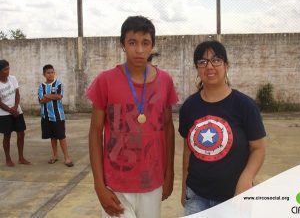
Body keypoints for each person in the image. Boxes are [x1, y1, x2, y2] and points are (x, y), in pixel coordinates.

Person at [86, 15, 177, 218]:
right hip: (116, 183)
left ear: (152, 45)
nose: (139, 50)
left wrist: (169, 173)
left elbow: (168, 128)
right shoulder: (105, 81)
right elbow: (94, 133)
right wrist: (99, 186)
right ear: (122, 45)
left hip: (152, 181)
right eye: (132, 43)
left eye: (145, 43)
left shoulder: (165, 81)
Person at [178, 40, 266, 215]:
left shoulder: (244, 105)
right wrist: (184, 189)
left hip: (234, 197)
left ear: (226, 65)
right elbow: (188, 150)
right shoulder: (189, 107)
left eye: (216, 60)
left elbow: (258, 148)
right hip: (196, 197)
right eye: (202, 62)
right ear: (197, 68)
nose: (209, 66)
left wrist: (246, 179)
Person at [38, 64, 73, 167]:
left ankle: (67, 157)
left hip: (58, 116)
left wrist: (47, 95)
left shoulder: (58, 84)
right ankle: (55, 155)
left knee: (61, 136)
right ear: (44, 74)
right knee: (52, 137)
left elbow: (59, 96)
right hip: (46, 116)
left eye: (52, 72)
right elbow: (41, 100)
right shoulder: (41, 86)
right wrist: (51, 96)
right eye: (48, 73)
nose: (50, 74)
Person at [0, 59, 30, 167]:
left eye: (8, 68)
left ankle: (21, 157)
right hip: (4, 114)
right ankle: (8, 159)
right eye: (5, 70)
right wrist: (9, 110)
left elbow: (17, 94)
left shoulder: (12, 78)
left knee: (21, 133)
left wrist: (16, 107)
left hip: (17, 111)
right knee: (7, 136)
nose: (7, 71)